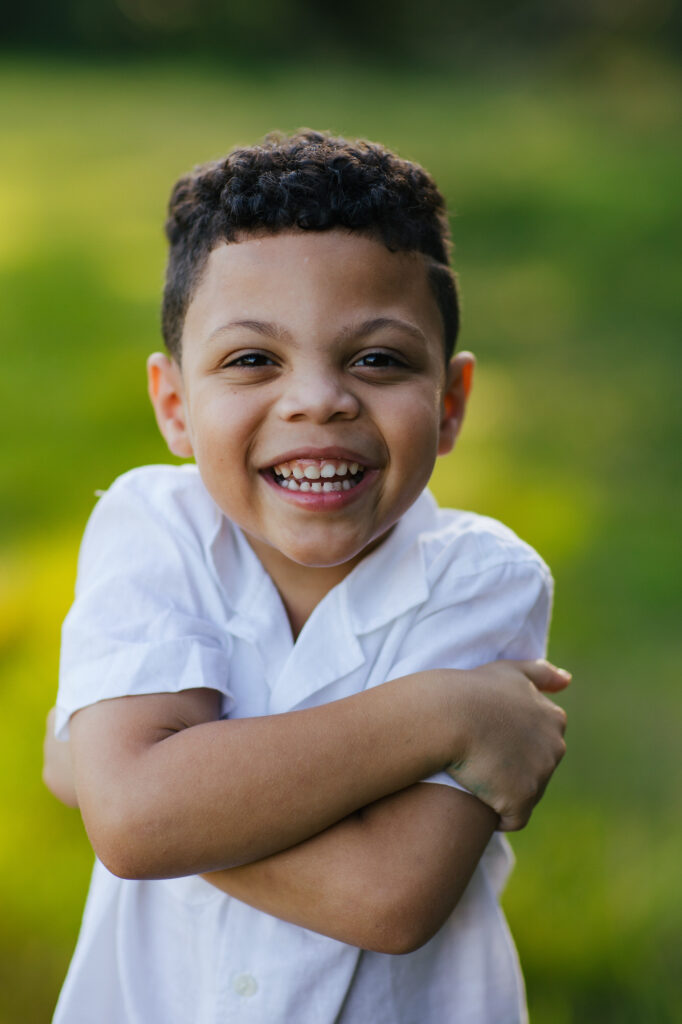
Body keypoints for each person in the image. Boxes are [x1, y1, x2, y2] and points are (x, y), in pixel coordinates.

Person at [43, 130, 569, 1024]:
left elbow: (389, 898)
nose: (318, 398)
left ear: (450, 406)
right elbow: (133, 823)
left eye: (378, 358)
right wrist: (445, 714)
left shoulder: (485, 579)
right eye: (253, 360)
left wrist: (126, 785)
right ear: (174, 404)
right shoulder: (152, 528)